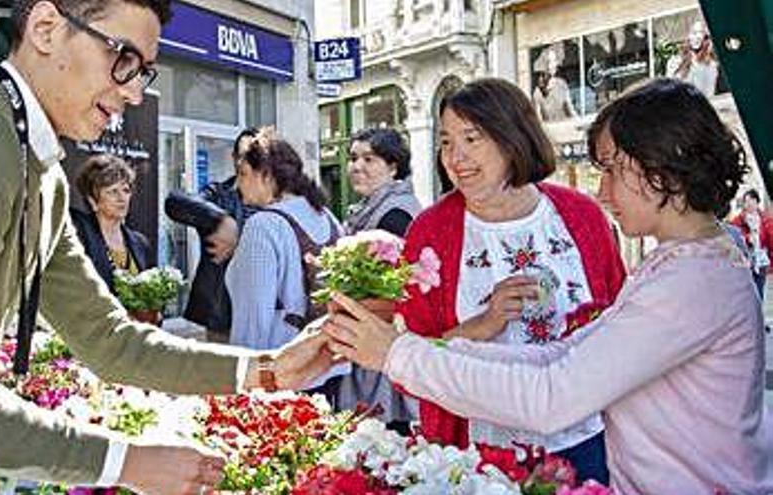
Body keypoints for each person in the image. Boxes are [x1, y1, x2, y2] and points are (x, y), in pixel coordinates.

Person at [0, 1, 335, 494]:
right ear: (45, 28)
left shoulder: (41, 172)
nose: (134, 92)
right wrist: (124, 463)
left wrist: (265, 370)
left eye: (144, 72)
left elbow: (109, 339)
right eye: (123, 59)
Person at [324, 78, 773, 494]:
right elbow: (566, 353)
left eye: (613, 169)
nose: (603, 190)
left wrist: (397, 353)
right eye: (446, 142)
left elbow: (555, 394)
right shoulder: (682, 261)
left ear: (664, 167)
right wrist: (414, 348)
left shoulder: (691, 281)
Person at [356, 79, 626, 482]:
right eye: (446, 141)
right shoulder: (430, 233)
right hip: (477, 457)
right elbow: (408, 362)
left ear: (513, 137)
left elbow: (622, 328)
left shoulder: (581, 215)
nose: (455, 157)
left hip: (585, 444)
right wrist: (483, 324)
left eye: (471, 138)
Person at [226, 129, 348, 403]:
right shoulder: (327, 217)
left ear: (267, 175)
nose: (238, 185)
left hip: (280, 376)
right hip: (328, 365)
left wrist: (242, 385)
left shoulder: (263, 226)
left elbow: (252, 319)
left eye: (243, 174)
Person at [337, 128, 422, 433]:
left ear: (393, 167)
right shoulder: (372, 209)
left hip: (384, 348)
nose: (357, 166)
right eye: (353, 158)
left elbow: (391, 294)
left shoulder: (395, 214)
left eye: (369, 159)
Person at [182, 128, 259, 342]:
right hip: (222, 311)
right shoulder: (218, 194)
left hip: (263, 312)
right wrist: (220, 219)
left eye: (255, 155)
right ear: (234, 158)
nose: (248, 162)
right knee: (224, 373)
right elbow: (176, 202)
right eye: (243, 155)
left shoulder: (275, 197)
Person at [71, 154, 152, 292]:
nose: (121, 198)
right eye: (112, 191)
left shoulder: (140, 243)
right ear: (92, 200)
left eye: (126, 190)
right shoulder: (78, 234)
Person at [731, 188, 773, 300]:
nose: (748, 204)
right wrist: (747, 238)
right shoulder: (738, 220)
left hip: (761, 260)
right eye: (746, 201)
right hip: (746, 262)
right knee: (747, 294)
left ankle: (758, 315)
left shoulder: (765, 219)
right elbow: (734, 238)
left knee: (759, 292)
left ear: (757, 202)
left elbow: (770, 241)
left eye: (751, 200)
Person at [666, 19, 719, 97]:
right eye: (694, 33)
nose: (697, 37)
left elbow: (709, 93)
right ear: (688, 36)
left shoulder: (711, 66)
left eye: (700, 33)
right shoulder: (675, 61)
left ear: (706, 38)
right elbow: (669, 88)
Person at [532, 46, 577, 121]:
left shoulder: (562, 84)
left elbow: (570, 110)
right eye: (550, 61)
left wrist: (578, 121)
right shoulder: (537, 93)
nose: (554, 64)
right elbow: (538, 121)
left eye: (554, 61)